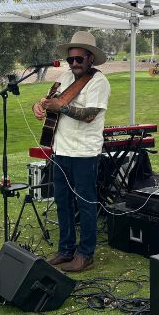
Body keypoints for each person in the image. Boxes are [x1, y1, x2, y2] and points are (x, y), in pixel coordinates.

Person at [31, 30, 110, 274]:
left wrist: (62, 108)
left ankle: (85, 254)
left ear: (90, 59)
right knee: (62, 202)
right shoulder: (64, 78)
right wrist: (39, 106)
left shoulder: (98, 82)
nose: (74, 64)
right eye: (71, 59)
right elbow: (49, 101)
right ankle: (65, 249)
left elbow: (89, 115)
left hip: (85, 152)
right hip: (61, 149)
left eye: (79, 59)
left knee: (85, 203)